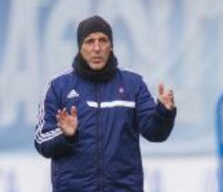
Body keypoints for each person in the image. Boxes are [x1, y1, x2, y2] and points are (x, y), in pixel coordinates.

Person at [34, 15, 177, 192]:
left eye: (103, 40)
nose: (97, 48)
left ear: (111, 46)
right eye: (89, 41)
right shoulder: (58, 86)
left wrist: (164, 112)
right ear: (80, 47)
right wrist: (66, 136)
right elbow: (41, 141)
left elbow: (155, 133)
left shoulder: (133, 83)